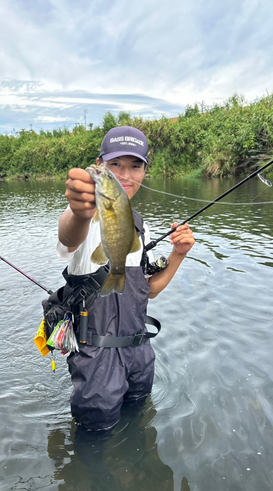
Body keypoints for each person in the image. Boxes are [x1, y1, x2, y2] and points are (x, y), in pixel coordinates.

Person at [57, 126, 195, 431]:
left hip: (139, 353)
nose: (125, 174)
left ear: (145, 170)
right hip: (97, 361)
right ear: (100, 164)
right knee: (96, 432)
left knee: (138, 420)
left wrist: (178, 256)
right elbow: (68, 236)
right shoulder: (90, 213)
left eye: (135, 165)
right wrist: (79, 212)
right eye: (115, 164)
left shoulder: (138, 225)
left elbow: (148, 292)